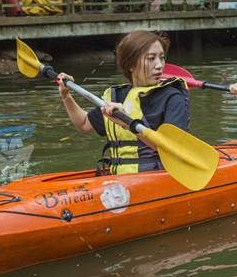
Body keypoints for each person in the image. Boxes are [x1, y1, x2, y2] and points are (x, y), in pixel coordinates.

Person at [56, 30, 190, 175]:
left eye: (162, 58)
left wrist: (127, 123)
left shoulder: (172, 98)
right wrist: (65, 95)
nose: (159, 65)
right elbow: (83, 124)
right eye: (151, 59)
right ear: (131, 65)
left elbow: (173, 149)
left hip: (157, 178)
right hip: (118, 182)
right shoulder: (116, 97)